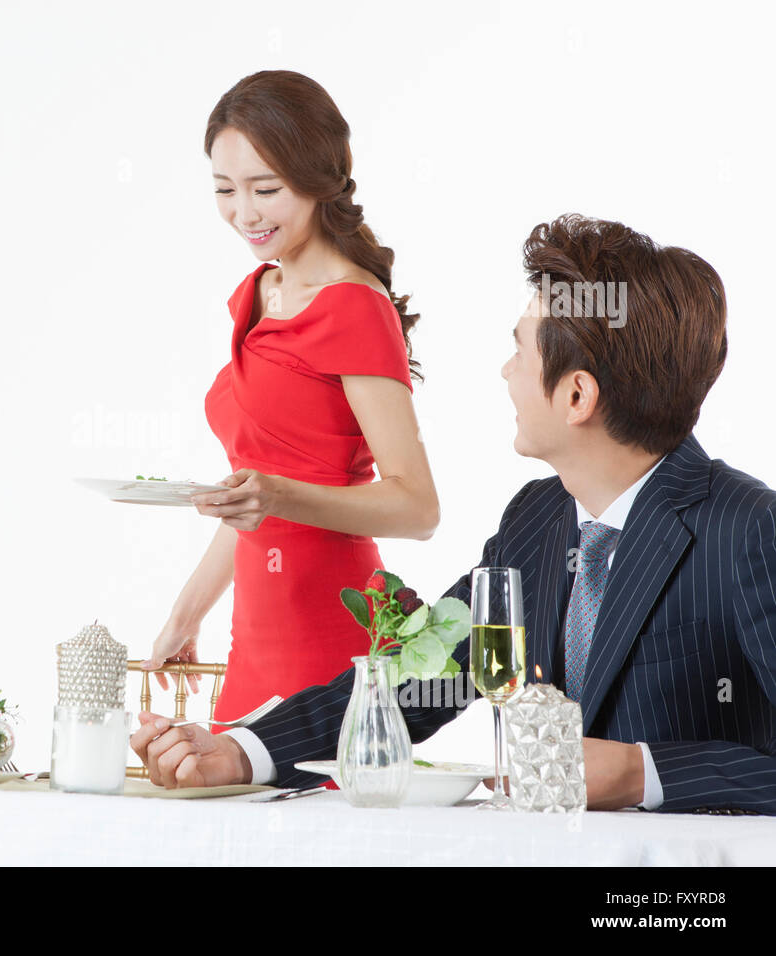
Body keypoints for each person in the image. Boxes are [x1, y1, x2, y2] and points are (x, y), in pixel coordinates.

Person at [134, 214, 776, 814]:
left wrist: (644, 773)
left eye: (520, 351)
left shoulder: (749, 531)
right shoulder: (537, 520)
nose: (506, 372)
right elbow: (423, 679)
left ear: (577, 395)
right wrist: (243, 751)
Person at [141, 70, 439, 724]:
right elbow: (258, 500)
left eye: (265, 189)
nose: (243, 213)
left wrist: (272, 495)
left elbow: (418, 508)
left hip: (330, 632)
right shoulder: (258, 295)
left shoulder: (354, 308)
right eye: (225, 190)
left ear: (317, 178)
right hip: (255, 635)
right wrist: (183, 616)